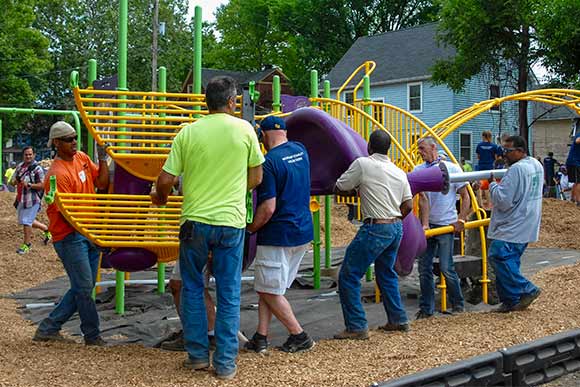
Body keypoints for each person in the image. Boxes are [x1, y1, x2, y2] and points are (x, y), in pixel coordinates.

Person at [151, 76, 264, 380]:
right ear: (232, 102)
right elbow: (256, 178)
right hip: (230, 222)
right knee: (228, 292)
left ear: (205, 102)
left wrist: (160, 198)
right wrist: (234, 186)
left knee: (192, 288)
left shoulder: (187, 133)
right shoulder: (245, 130)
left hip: (194, 223)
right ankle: (225, 363)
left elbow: (164, 180)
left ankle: (198, 356)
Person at [33, 121, 109, 345]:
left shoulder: (82, 158)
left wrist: (103, 159)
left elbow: (102, 183)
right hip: (70, 236)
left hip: (88, 232)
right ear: (56, 143)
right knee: (84, 287)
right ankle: (92, 335)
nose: (74, 142)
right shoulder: (56, 175)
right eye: (68, 139)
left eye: (75, 137)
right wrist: (94, 234)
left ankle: (49, 327)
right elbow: (68, 216)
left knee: (83, 286)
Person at [244, 116, 314, 354]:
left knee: (268, 290)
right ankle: (261, 336)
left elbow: (268, 207)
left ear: (263, 136)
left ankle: (299, 335)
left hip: (277, 235)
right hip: (302, 231)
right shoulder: (300, 150)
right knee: (272, 287)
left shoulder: (268, 163)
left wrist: (250, 229)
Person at [333, 130, 413, 340]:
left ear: (369, 147)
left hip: (376, 226)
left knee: (349, 275)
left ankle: (357, 325)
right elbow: (409, 205)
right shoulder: (399, 171)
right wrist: (392, 220)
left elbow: (340, 186)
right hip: (396, 226)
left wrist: (355, 191)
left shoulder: (363, 164)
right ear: (388, 149)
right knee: (386, 274)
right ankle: (398, 319)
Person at [414, 137, 470, 319]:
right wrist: (424, 223)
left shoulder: (452, 168)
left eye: (422, 148)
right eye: (418, 149)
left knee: (446, 267)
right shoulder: (419, 171)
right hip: (430, 224)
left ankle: (458, 305)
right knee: (424, 268)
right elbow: (423, 199)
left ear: (433, 147)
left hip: (446, 223)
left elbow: (465, 195)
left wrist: (461, 219)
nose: (420, 152)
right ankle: (426, 308)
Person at [487, 136, 543, 312]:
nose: (504, 155)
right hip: (528, 221)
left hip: (512, 225)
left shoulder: (516, 170)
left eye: (508, 151)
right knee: (511, 260)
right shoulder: (536, 165)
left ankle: (527, 289)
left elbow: (503, 200)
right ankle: (510, 301)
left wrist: (492, 185)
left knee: (498, 256)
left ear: (520, 151)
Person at [11, 147, 51, 254]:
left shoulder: (37, 169)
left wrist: (29, 184)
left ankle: (27, 245)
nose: (28, 156)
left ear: (34, 155)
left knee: (26, 221)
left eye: (30, 154)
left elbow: (43, 185)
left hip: (33, 199)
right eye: (26, 154)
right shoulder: (19, 167)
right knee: (28, 220)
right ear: (23, 155)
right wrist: (16, 181)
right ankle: (46, 229)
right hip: (21, 199)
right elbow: (12, 182)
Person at [565, 130, 580, 205]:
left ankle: (573, 199)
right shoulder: (579, 135)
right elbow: (577, 141)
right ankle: (578, 201)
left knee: (576, 181)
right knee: (579, 182)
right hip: (575, 162)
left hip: (572, 162)